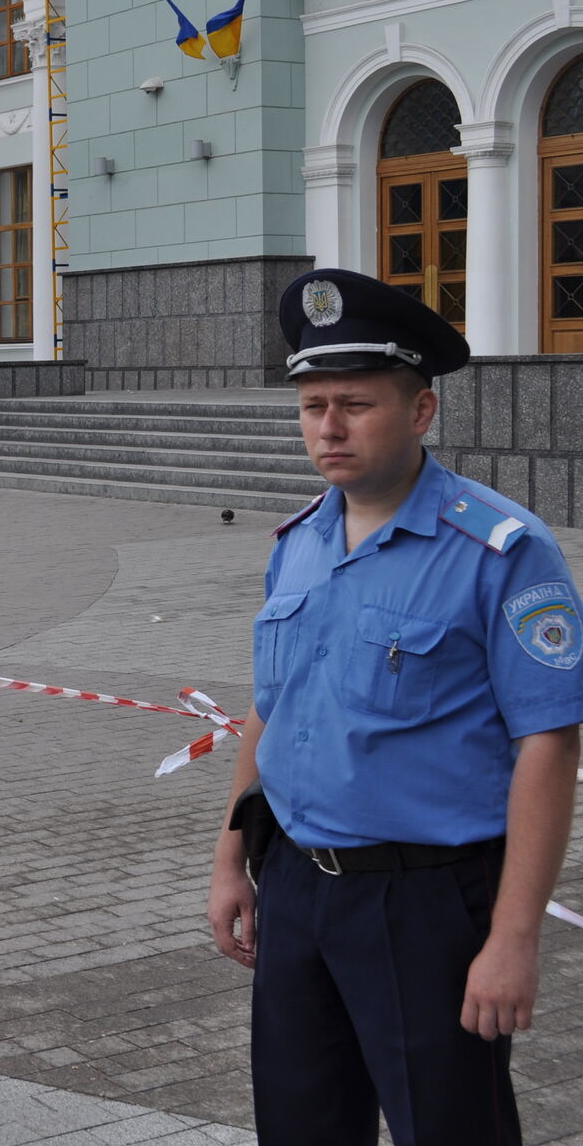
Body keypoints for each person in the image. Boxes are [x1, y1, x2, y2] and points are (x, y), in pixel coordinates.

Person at [207, 269, 583, 1146]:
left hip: (427, 906)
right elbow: (272, 708)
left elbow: (549, 746)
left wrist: (514, 938)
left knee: (450, 1128)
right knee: (301, 1125)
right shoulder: (299, 543)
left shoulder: (501, 552)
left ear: (420, 412)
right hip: (296, 883)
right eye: (312, 406)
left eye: (355, 404)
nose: (328, 427)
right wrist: (232, 859)